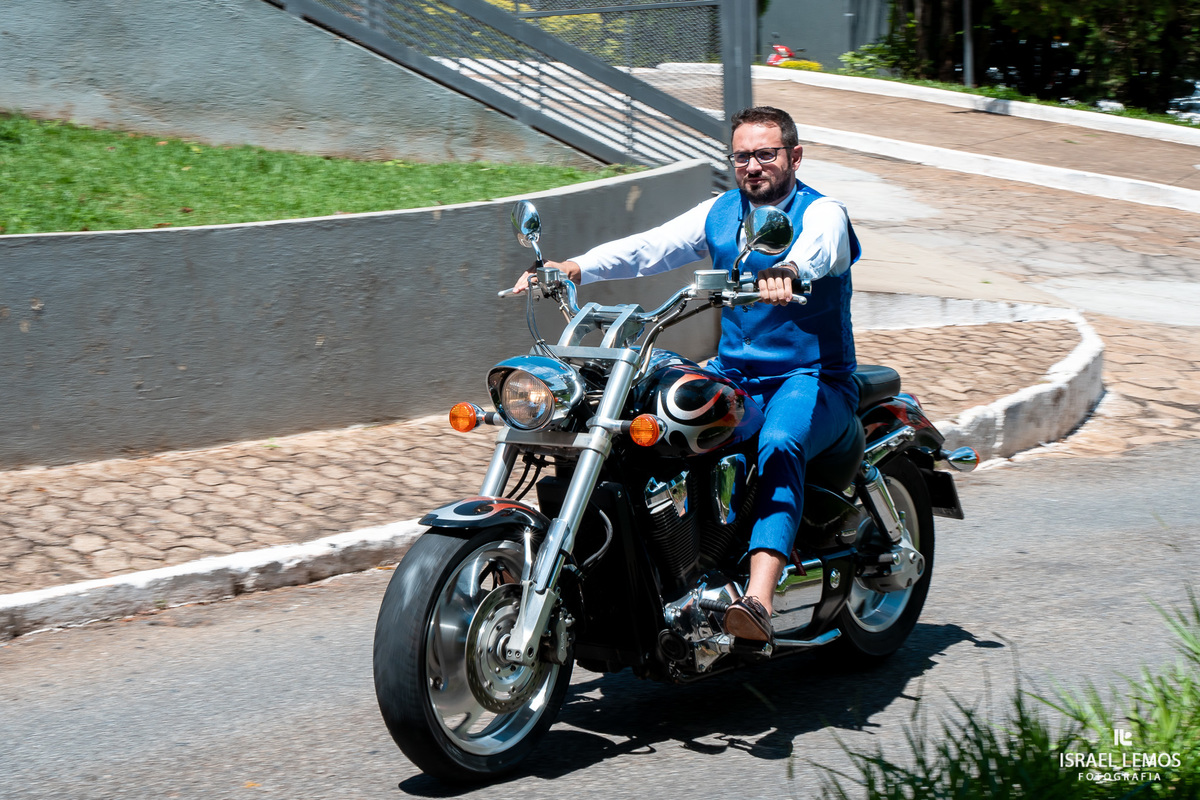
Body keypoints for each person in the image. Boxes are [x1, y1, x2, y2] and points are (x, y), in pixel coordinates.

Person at [512, 106, 861, 643]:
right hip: (736, 371)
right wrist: (574, 267)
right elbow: (651, 248)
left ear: (793, 157)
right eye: (741, 155)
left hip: (810, 377)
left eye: (766, 154)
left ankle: (759, 599)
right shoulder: (720, 213)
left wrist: (789, 270)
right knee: (649, 407)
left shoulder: (822, 212)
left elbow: (823, 248)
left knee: (781, 440)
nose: (753, 166)